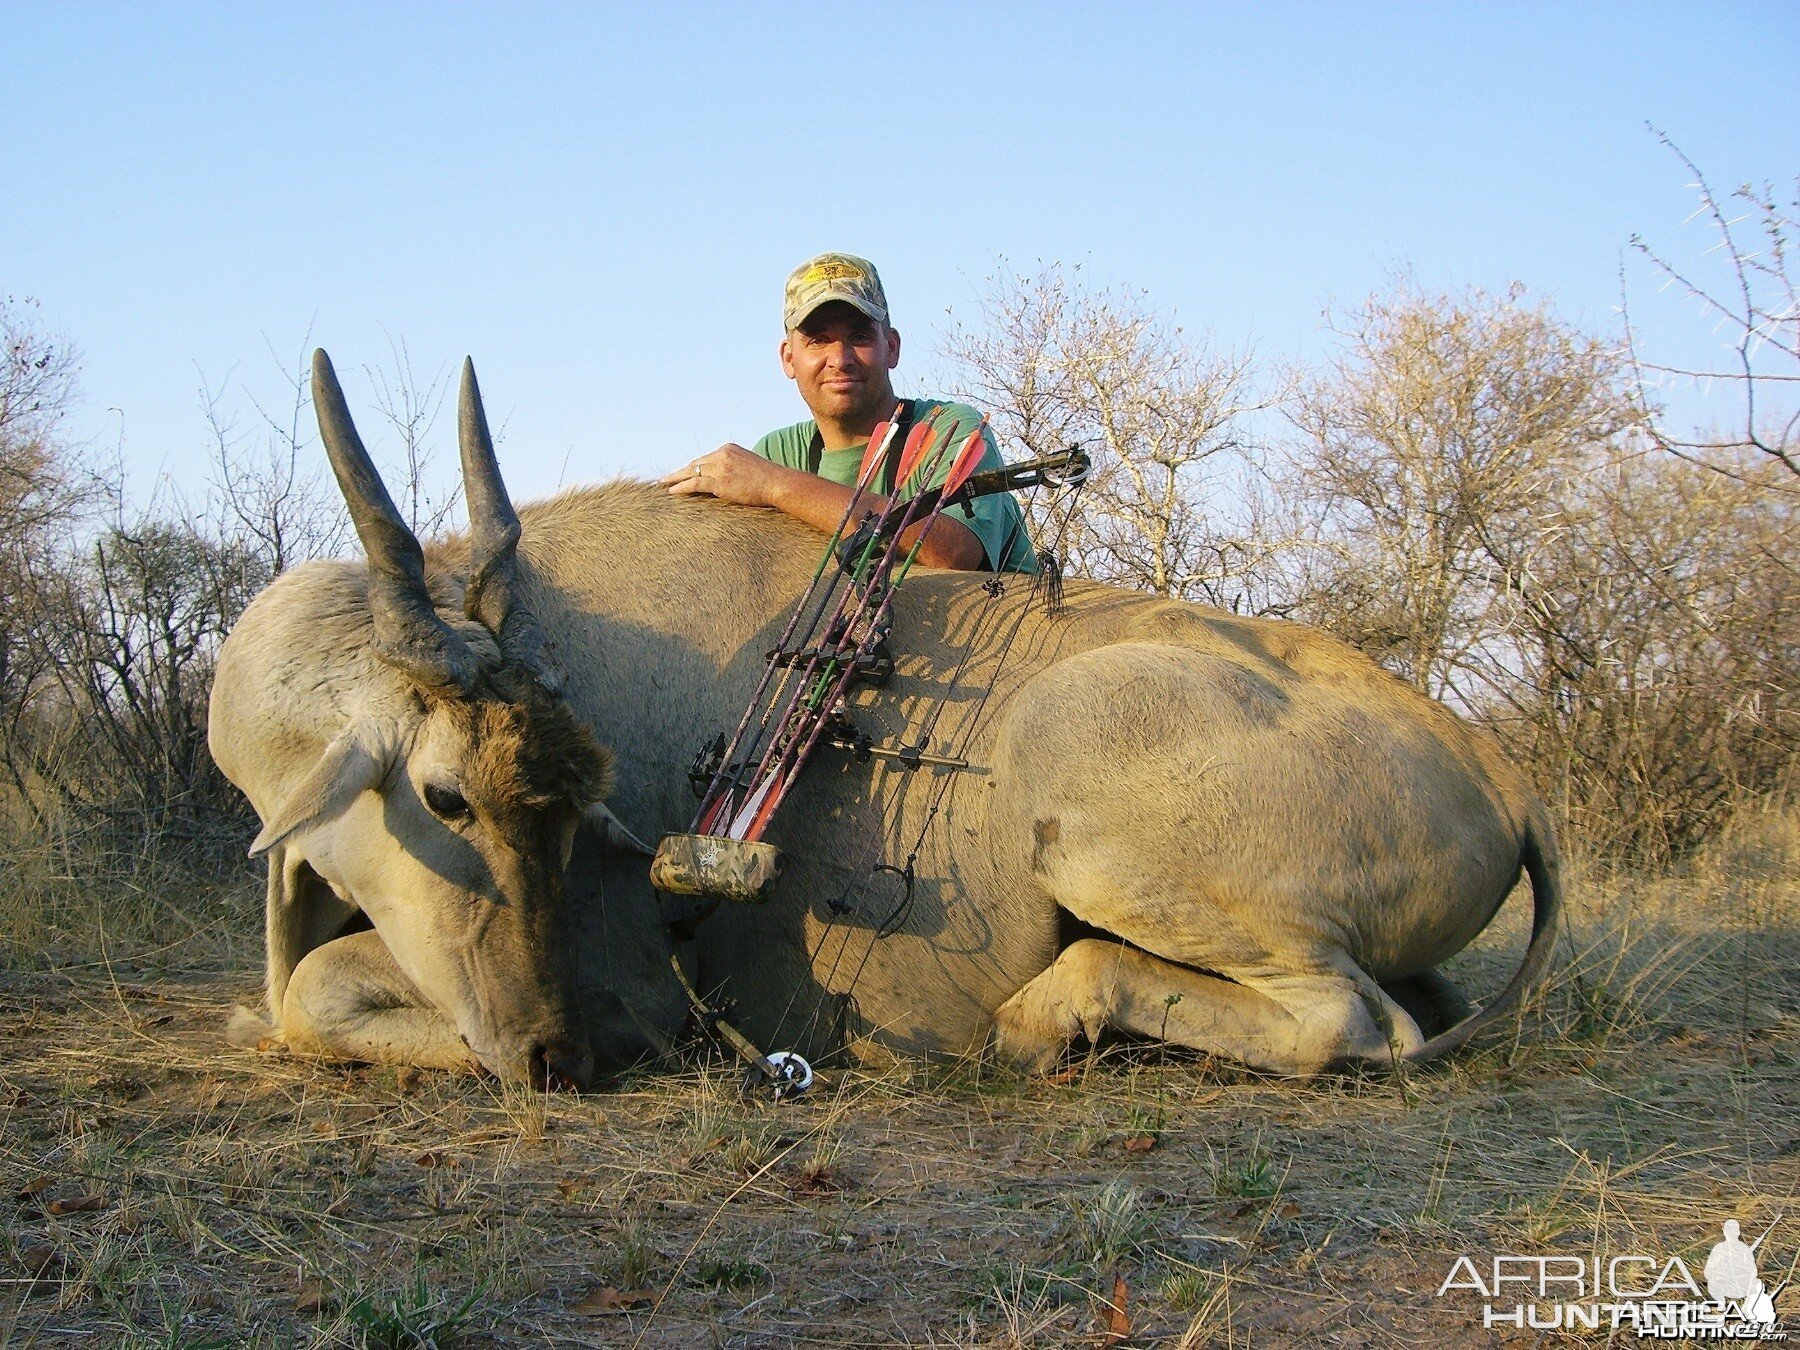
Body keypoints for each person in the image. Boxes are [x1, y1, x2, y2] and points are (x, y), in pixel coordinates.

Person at [662, 252, 1037, 573]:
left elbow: (953, 553)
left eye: (859, 338)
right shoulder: (778, 452)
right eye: (818, 340)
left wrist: (775, 486)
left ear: (891, 348)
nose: (839, 360)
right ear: (788, 358)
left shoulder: (950, 428)